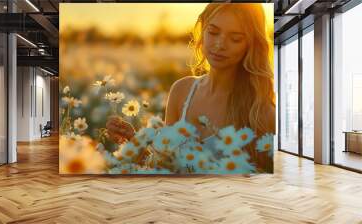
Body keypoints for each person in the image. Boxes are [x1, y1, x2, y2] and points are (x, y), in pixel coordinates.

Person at [106, 3, 275, 172]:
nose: (220, 44)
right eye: (213, 32)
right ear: (202, 30)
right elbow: (165, 166)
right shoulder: (182, 91)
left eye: (235, 38)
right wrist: (135, 143)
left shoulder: (260, 111)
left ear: (251, 44)